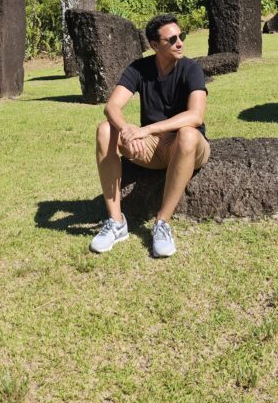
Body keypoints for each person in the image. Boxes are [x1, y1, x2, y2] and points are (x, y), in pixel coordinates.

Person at [90, 13, 210, 258]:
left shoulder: (191, 69)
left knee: (187, 134)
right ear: (155, 45)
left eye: (181, 36)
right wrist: (127, 133)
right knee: (105, 129)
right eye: (172, 39)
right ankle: (116, 222)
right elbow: (112, 106)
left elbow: (196, 116)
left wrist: (145, 130)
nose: (180, 43)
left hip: (188, 146)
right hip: (154, 147)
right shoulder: (139, 68)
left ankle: (162, 223)